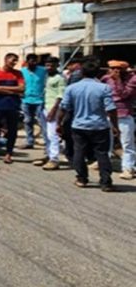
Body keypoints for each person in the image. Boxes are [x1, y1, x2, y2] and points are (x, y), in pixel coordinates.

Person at [59, 60, 119, 191]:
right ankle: (106, 182)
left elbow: (64, 108)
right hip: (100, 126)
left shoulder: (71, 88)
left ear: (82, 73)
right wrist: (115, 126)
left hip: (79, 126)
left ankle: (82, 178)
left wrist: (59, 123)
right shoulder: (104, 88)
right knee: (102, 154)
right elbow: (111, 109)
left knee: (79, 152)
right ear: (97, 73)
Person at [101, 60, 136, 180]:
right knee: (106, 141)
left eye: (118, 69)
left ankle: (128, 168)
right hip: (108, 114)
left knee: (127, 143)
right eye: (113, 68)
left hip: (124, 114)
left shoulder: (132, 79)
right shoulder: (106, 79)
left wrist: (118, 80)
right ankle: (104, 163)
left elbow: (124, 94)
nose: (115, 71)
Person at [34, 57, 65, 171]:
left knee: (53, 134)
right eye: (47, 65)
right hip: (44, 106)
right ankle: (48, 154)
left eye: (51, 65)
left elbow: (60, 96)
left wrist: (53, 110)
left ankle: (54, 159)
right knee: (46, 134)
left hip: (53, 108)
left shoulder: (60, 78)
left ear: (57, 65)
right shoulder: (46, 76)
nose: (49, 67)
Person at [20, 53, 47, 149]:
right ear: (27, 62)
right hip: (26, 100)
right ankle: (29, 141)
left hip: (39, 100)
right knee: (27, 121)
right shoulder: (22, 71)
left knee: (42, 121)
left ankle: (47, 141)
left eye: (36, 61)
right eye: (32, 61)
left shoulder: (43, 71)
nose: (34, 63)